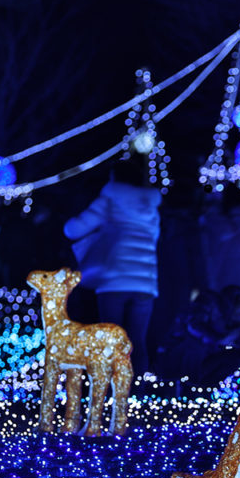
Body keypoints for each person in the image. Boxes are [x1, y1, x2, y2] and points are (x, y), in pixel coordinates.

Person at [64, 156, 161, 377]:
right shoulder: (150, 205)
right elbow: (154, 239)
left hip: (114, 280)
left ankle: (111, 393)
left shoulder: (110, 198)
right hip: (145, 282)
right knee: (138, 340)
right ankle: (138, 390)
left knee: (111, 339)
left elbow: (74, 229)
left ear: (115, 177)